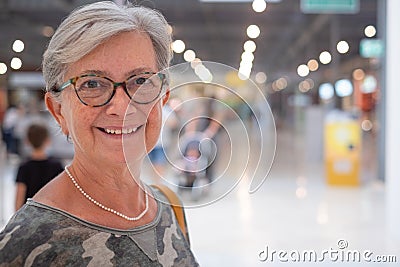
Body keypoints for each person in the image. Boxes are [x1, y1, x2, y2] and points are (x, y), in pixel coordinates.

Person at [0, 2, 198, 266]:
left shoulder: (169, 207)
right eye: (92, 84)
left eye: (140, 81)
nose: (122, 107)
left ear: (162, 98)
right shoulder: (24, 246)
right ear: (58, 110)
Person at [15, 123, 64, 211]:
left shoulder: (24, 167)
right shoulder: (56, 165)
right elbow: (62, 193)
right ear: (47, 140)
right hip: (51, 212)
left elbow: (20, 195)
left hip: (30, 214)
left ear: (27, 141)